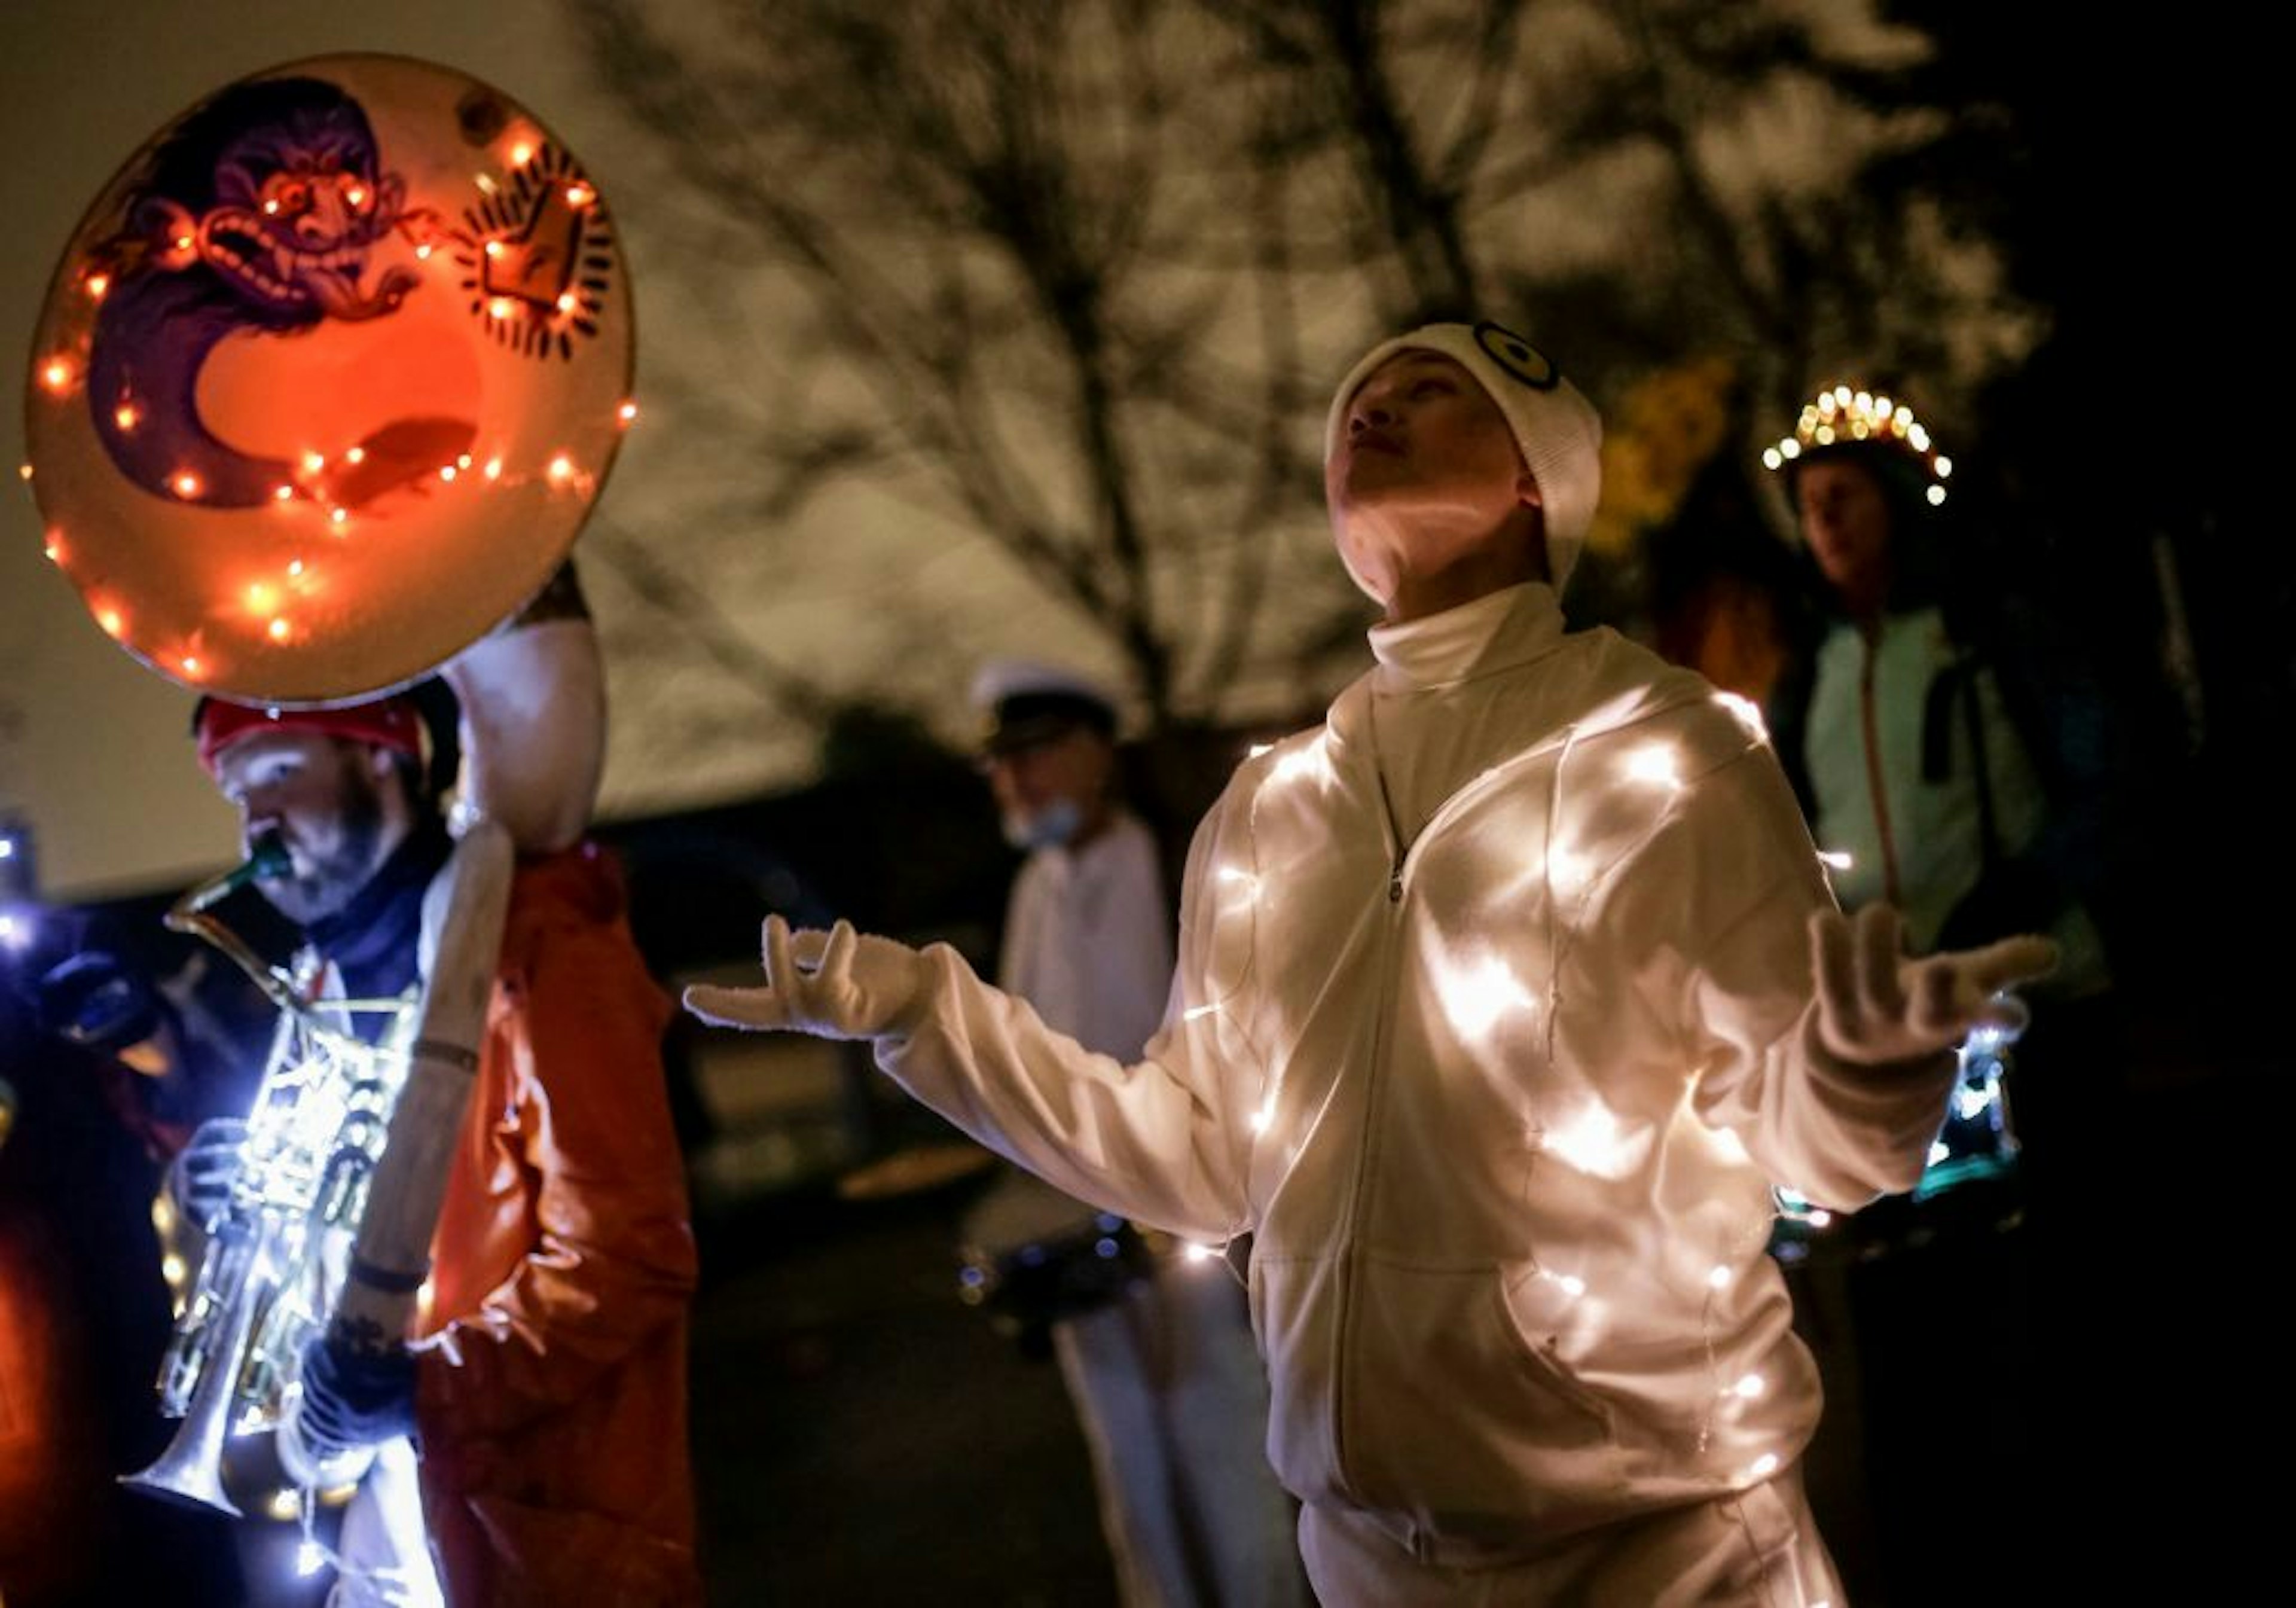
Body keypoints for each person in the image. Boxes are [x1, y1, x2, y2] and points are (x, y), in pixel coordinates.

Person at [687, 319, 2054, 1603]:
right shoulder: (1273, 806)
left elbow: (1823, 1154)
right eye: (1358, 406)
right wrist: (926, 1016)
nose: (1376, 409)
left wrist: (1871, 1070)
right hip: (1367, 1561)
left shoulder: (1669, 750)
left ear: (1538, 478)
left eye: (1431, 389)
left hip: (1664, 1554)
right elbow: (1199, 1154)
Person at [169, 575, 702, 1606]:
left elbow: (632, 1258)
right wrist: (235, 1209)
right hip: (380, 1541)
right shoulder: (315, 991)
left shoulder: (543, 947)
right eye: (238, 796)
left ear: (386, 760)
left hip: (536, 1543)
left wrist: (423, 1385)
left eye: (278, 769)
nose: (256, 820)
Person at [960, 658, 1308, 1608]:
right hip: (1085, 1234)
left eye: (1035, 754)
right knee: (1134, 1477)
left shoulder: (1174, 864)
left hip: (1188, 1231)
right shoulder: (1033, 888)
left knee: (1226, 1451)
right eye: (1000, 762)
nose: (1013, 779)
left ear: (1098, 751)